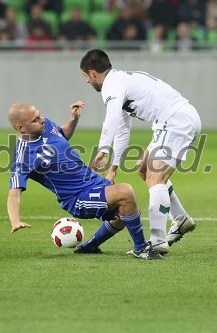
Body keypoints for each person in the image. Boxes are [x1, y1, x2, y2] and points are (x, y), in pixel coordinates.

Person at [79, 49, 201, 254]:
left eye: (85, 77)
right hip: (173, 120)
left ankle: (157, 240)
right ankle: (180, 219)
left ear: (92, 73)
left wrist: (102, 149)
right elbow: (122, 129)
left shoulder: (112, 85)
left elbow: (112, 120)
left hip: (174, 120)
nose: (87, 82)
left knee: (155, 179)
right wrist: (113, 168)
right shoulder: (120, 81)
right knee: (143, 168)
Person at [6, 101, 163, 260]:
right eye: (35, 119)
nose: (42, 120)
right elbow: (14, 194)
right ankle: (141, 248)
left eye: (39, 115)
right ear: (20, 128)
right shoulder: (23, 157)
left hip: (94, 182)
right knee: (126, 192)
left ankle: (90, 246)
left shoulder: (45, 126)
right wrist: (15, 220)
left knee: (128, 210)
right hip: (77, 198)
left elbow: (62, 134)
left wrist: (74, 119)